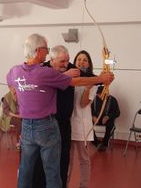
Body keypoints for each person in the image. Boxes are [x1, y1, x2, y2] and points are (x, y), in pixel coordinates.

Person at [7, 34, 114, 188]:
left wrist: (15, 91)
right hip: (46, 126)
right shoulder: (45, 72)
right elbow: (76, 81)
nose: (47, 51)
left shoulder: (15, 71)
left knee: (25, 169)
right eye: (46, 49)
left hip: (27, 126)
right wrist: (101, 79)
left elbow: (9, 80)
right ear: (38, 51)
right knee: (52, 171)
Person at [32, 45, 80, 188]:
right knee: (41, 160)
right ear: (52, 60)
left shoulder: (70, 67)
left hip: (64, 124)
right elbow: (39, 81)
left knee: (62, 159)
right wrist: (66, 76)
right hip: (46, 124)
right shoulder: (42, 69)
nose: (66, 64)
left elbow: (87, 76)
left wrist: (103, 78)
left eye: (68, 61)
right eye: (62, 62)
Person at [68, 50, 97, 188]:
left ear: (89, 63)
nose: (81, 62)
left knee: (84, 159)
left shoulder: (92, 79)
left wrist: (87, 88)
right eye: (79, 59)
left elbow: (83, 103)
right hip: (68, 123)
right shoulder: (69, 77)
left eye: (85, 60)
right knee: (67, 159)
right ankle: (64, 184)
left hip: (82, 125)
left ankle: (83, 185)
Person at [91, 85, 120, 151]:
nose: (99, 96)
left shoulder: (112, 100)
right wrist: (93, 116)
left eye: (100, 94)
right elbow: (89, 111)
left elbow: (117, 112)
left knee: (111, 125)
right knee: (87, 124)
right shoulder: (94, 99)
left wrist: (108, 117)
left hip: (107, 119)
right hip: (96, 119)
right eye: (98, 94)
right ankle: (97, 143)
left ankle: (105, 143)